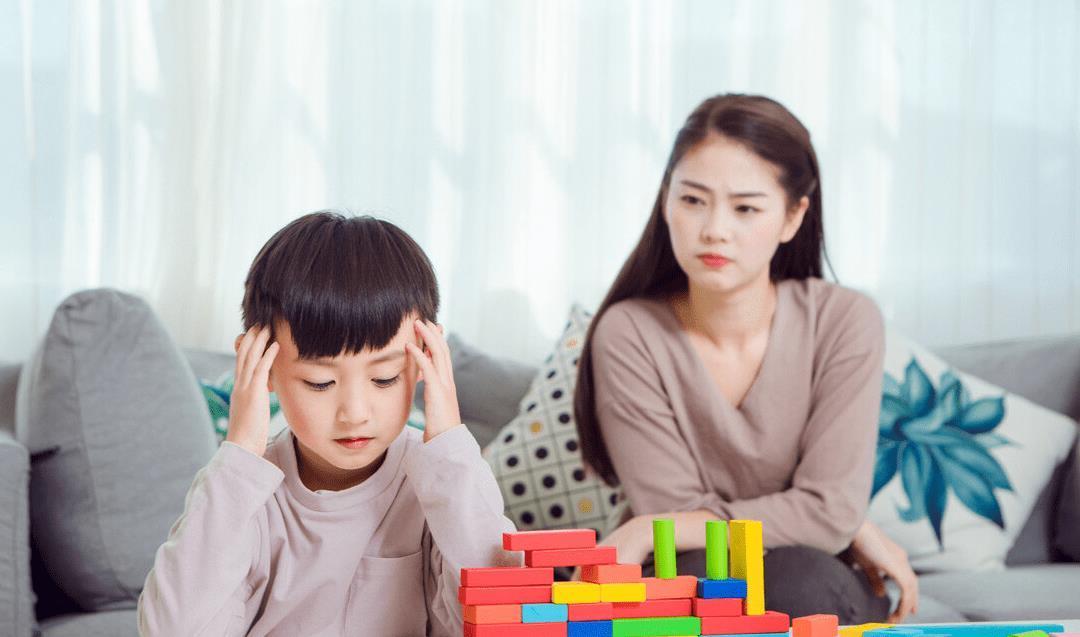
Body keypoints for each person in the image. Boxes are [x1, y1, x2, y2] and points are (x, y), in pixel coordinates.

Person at [573, 94, 918, 622]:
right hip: (686, 575)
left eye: (746, 208)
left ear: (792, 216)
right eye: (692, 200)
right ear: (666, 201)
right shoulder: (629, 333)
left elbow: (827, 513)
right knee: (718, 578)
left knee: (799, 582)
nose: (714, 228)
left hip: (814, 576)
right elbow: (671, 519)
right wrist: (832, 520)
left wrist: (838, 520)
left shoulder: (845, 321)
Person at [138, 211, 517, 636]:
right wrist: (241, 450)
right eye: (320, 382)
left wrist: (448, 442)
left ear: (423, 361)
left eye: (384, 378)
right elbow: (173, 630)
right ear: (265, 369)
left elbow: (501, 618)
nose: (355, 412)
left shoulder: (439, 482)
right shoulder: (243, 493)